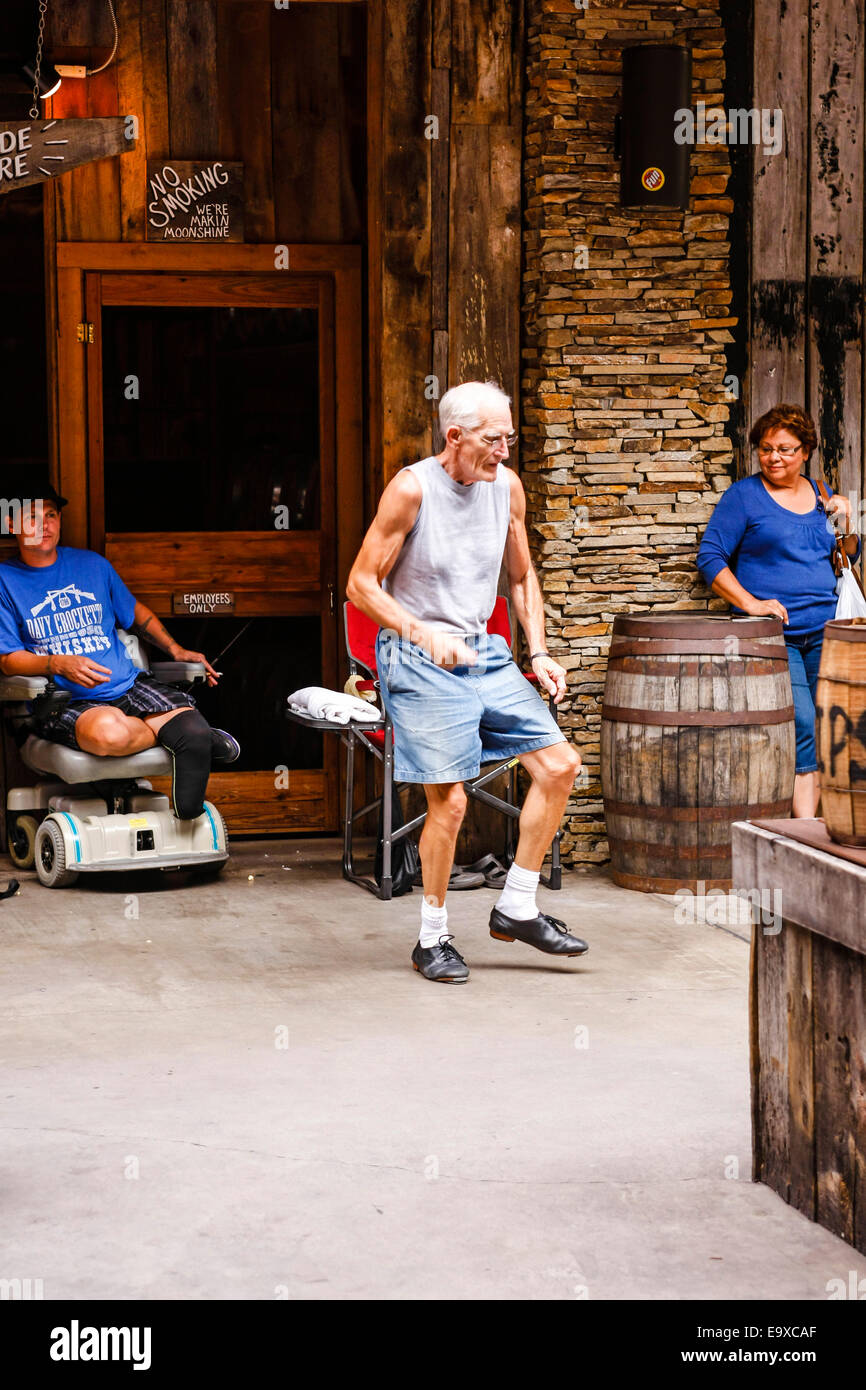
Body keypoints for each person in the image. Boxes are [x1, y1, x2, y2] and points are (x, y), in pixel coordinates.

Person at [346, 379, 586, 983]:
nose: (504, 450)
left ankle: (517, 907)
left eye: (509, 437)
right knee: (449, 802)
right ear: (454, 437)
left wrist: (540, 653)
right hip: (415, 655)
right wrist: (423, 634)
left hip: (485, 652)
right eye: (492, 439)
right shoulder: (411, 489)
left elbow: (522, 575)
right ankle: (432, 938)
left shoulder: (506, 486)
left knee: (560, 766)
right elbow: (361, 585)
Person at [0, 480, 240, 821]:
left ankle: (194, 762)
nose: (44, 525)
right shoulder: (5, 581)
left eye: (51, 515)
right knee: (113, 733)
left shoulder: (92, 566)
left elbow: (136, 613)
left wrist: (174, 649)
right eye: (32, 517)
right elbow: (8, 660)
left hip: (129, 685)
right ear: (11, 524)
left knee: (193, 734)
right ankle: (186, 740)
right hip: (67, 700)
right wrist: (56, 663)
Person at [697, 404, 859, 818]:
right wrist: (751, 603)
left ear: (806, 450)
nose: (774, 457)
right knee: (804, 723)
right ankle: (804, 833)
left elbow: (846, 560)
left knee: (830, 724)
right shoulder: (744, 497)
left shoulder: (823, 494)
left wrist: (849, 519)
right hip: (774, 637)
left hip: (827, 632)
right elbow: (711, 557)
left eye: (785, 449)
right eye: (766, 449)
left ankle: (824, 824)